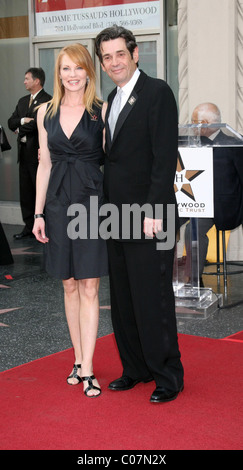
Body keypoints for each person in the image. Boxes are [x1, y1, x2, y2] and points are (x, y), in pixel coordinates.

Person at [95, 26, 184, 403]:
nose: (114, 62)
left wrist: (152, 212)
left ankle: (167, 376)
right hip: (116, 214)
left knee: (153, 298)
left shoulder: (157, 92)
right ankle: (135, 368)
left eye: (120, 53)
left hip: (150, 214)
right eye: (107, 57)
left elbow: (164, 160)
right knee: (125, 297)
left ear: (135, 54)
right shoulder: (110, 101)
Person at [32, 44, 108, 398]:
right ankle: (77, 359)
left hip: (92, 202)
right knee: (69, 284)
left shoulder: (101, 109)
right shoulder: (44, 111)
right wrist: (37, 213)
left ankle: (89, 367)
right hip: (59, 204)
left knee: (90, 284)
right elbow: (44, 164)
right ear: (58, 72)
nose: (72, 75)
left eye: (78, 68)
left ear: (88, 72)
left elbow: (116, 160)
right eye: (65, 69)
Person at [184, 103, 243, 281]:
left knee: (192, 229)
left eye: (195, 122)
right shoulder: (189, 144)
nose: (192, 126)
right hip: (194, 202)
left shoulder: (235, 144)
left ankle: (193, 280)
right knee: (175, 225)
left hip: (226, 205)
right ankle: (189, 281)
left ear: (206, 123)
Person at [8, 68, 52, 240]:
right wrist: (21, 122)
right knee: (26, 192)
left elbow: (37, 125)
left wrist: (20, 128)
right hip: (24, 154)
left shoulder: (47, 100)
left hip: (39, 155)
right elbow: (10, 122)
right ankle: (28, 227)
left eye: (27, 79)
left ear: (37, 81)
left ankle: (45, 225)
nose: (24, 82)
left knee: (41, 191)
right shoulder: (22, 101)